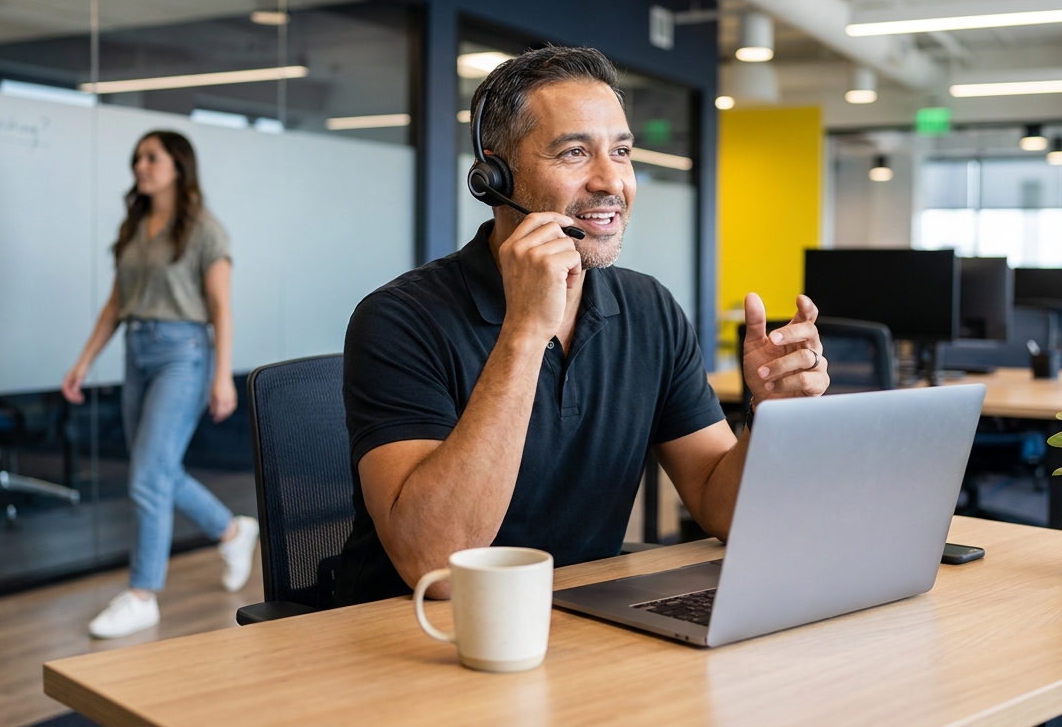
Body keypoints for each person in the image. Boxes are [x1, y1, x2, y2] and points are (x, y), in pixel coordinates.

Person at [337, 46, 828, 605]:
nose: (610, 181)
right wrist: (524, 331)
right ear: (494, 175)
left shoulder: (651, 310)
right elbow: (439, 568)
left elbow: (720, 505)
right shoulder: (401, 319)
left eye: (621, 151)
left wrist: (771, 416)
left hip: (579, 616)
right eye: (574, 152)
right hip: (411, 638)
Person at [63, 130, 259, 638]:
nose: (140, 166)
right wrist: (84, 361)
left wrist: (223, 377)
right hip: (137, 351)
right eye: (137, 158)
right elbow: (115, 305)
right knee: (155, 471)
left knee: (149, 475)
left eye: (151, 157)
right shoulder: (136, 228)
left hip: (184, 355)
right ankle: (232, 531)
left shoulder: (204, 231)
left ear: (178, 165)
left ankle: (142, 594)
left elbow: (220, 309)